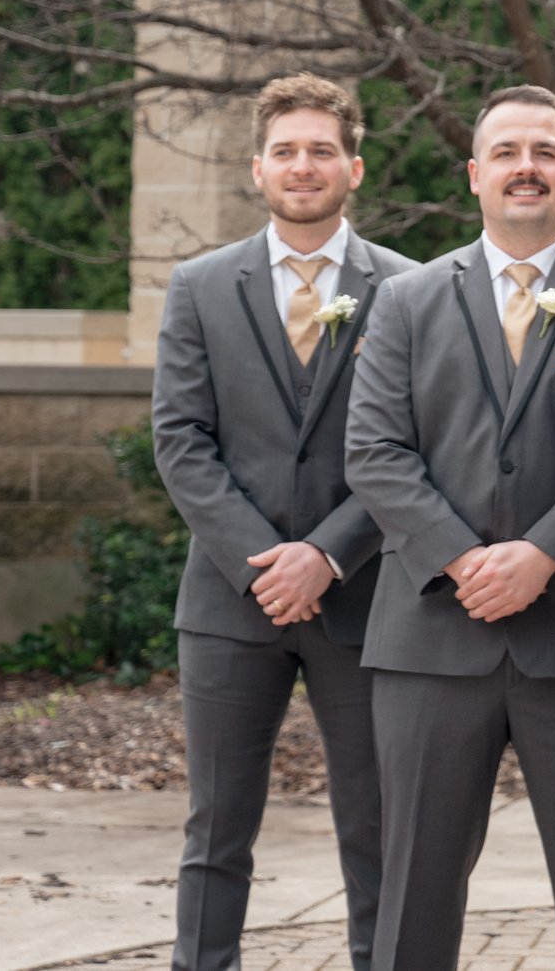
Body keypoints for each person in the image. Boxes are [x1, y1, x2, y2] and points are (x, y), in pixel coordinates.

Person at [344, 85, 555, 971]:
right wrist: (464, 559)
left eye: (545, 151)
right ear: (475, 175)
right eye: (506, 152)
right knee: (412, 892)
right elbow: (376, 452)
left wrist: (545, 554)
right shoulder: (407, 299)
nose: (526, 167)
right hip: (430, 634)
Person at [150, 73, 416, 971]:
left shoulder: (412, 290)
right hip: (231, 604)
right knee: (216, 827)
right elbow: (180, 439)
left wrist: (328, 556)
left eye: (322, 150)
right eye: (287, 151)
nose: (305, 166)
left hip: (366, 601)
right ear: (257, 169)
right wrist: (264, 562)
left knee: (379, 827)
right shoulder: (199, 286)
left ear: (355, 166)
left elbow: (416, 449)